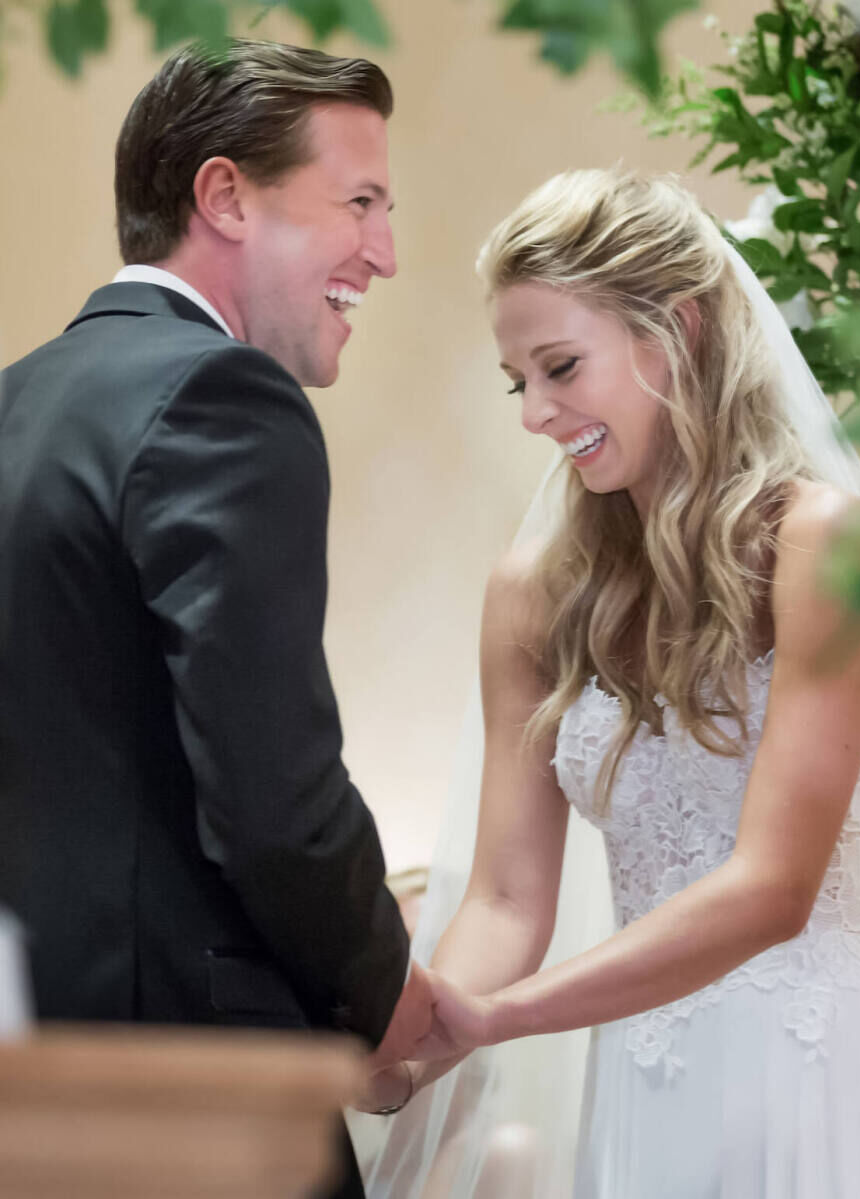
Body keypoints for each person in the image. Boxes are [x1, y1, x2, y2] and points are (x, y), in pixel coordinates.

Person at [358, 168, 860, 1198]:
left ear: (673, 331)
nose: (536, 413)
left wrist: (507, 1014)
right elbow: (504, 896)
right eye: (518, 381)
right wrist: (411, 1052)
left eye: (560, 366)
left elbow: (775, 885)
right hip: (639, 1090)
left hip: (813, 1072)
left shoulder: (823, 546)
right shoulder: (534, 597)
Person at [0, 38, 437, 1199]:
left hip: (33, 1079)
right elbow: (272, 793)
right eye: (360, 201)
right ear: (227, 196)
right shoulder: (221, 395)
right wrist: (386, 995)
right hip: (190, 1093)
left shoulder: (18, 401)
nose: (385, 254)